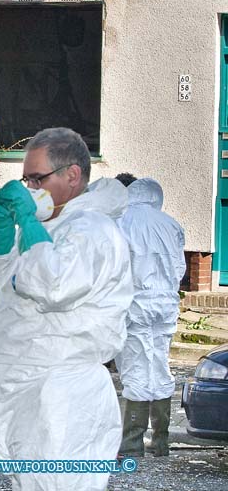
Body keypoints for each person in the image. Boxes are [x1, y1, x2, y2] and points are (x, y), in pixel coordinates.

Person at [0, 127, 134, 490]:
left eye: (36, 179)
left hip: (63, 395)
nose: (29, 189)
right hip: (32, 388)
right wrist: (2, 224)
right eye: (25, 179)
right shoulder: (56, 225)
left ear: (72, 175)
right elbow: (6, 272)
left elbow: (53, 285)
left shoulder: (92, 229)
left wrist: (28, 222)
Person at [114, 177, 186, 457]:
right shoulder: (171, 224)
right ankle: (161, 441)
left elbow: (116, 267)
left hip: (135, 306)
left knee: (135, 370)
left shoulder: (122, 222)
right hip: (165, 305)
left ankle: (132, 444)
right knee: (159, 366)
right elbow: (178, 268)